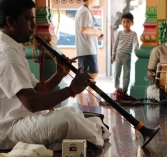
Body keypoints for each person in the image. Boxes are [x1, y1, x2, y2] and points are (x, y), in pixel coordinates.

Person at [0, 0, 110, 151]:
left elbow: (37, 89)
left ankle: (76, 140)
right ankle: (95, 136)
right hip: (8, 130)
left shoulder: (14, 47)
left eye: (33, 20)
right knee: (68, 120)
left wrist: (59, 75)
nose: (33, 25)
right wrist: (71, 90)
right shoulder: (6, 52)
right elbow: (32, 103)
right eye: (28, 19)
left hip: (22, 120)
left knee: (72, 112)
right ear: (10, 21)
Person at [75, 0, 103, 106]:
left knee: (87, 74)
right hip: (87, 49)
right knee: (92, 73)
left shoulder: (84, 10)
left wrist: (96, 34)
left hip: (87, 48)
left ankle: (85, 99)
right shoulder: (85, 11)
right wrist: (96, 32)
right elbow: (83, 29)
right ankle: (87, 98)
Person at [112, 12, 139, 95]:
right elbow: (115, 44)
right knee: (117, 73)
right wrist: (113, 53)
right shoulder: (120, 33)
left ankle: (125, 90)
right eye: (124, 22)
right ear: (121, 22)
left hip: (127, 56)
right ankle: (117, 89)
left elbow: (136, 42)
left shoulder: (133, 34)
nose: (126, 24)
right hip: (118, 55)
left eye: (128, 22)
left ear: (132, 23)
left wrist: (136, 47)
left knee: (126, 74)